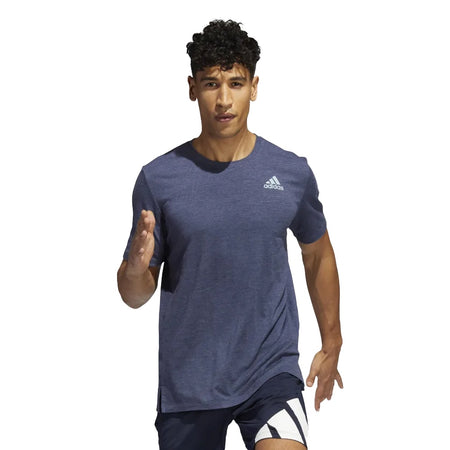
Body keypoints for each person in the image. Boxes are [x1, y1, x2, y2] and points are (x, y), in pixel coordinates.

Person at [117, 19, 343, 450]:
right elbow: (134, 295)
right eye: (211, 84)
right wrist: (134, 268)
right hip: (191, 382)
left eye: (236, 83)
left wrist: (332, 340)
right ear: (192, 88)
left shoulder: (290, 172)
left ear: (254, 87)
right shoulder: (159, 179)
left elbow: (317, 253)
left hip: (270, 371)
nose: (224, 100)